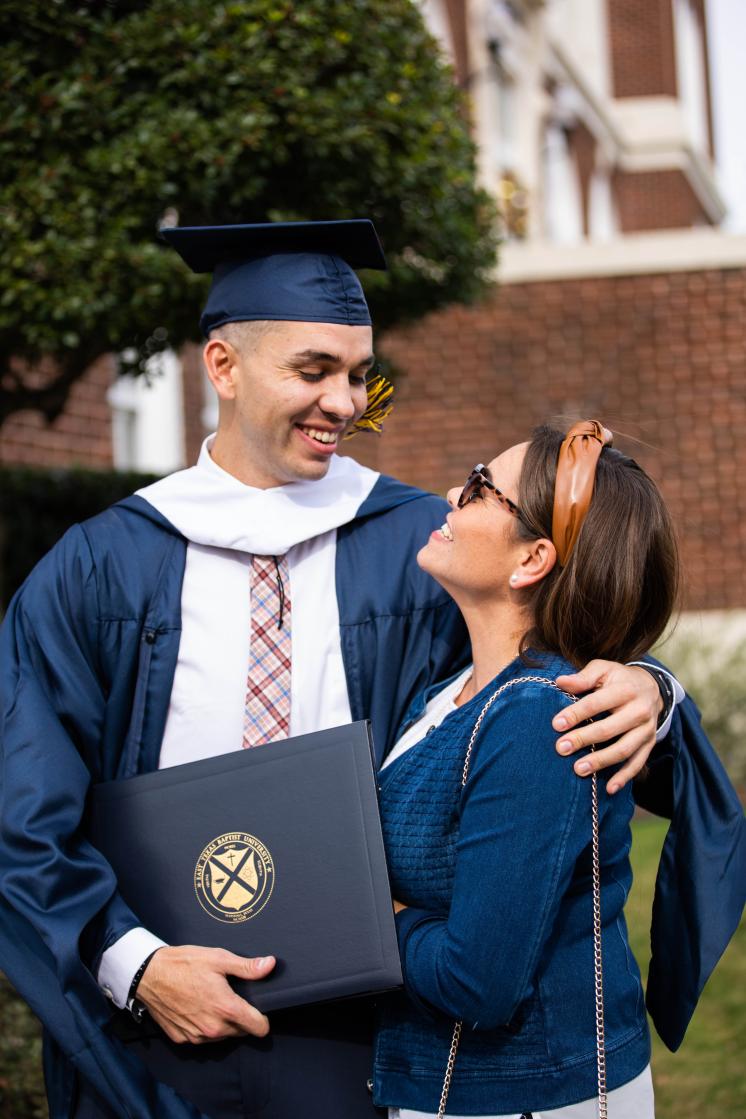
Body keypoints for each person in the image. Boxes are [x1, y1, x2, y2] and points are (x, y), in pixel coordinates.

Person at [0, 220, 735, 1119]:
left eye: (359, 374)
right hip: (159, 1020)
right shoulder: (99, 567)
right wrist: (136, 963)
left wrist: (647, 687)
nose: (346, 402)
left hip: (365, 1024)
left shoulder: (415, 546)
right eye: (314, 371)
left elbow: (544, 657)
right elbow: (20, 804)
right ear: (223, 367)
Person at [372, 422, 745, 1119]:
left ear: (533, 558)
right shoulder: (449, 692)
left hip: (524, 1096)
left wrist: (368, 916)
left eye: (482, 488)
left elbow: (477, 979)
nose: (454, 491)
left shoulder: (541, 719)